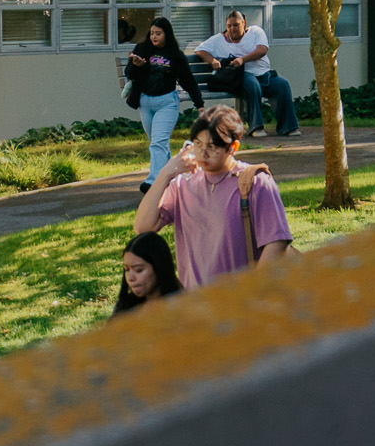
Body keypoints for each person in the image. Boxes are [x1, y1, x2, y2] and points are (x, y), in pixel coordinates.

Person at [133, 105, 291, 288]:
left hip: (241, 302)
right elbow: (143, 226)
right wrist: (166, 174)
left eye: (212, 146)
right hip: (195, 304)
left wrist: (255, 291)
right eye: (198, 144)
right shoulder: (183, 184)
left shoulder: (255, 182)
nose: (203, 153)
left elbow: (277, 242)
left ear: (233, 147)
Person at [124, 17, 203, 195]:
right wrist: (136, 66)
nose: (154, 37)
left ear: (166, 34)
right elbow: (129, 73)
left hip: (167, 102)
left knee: (158, 143)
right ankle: (172, 177)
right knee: (157, 143)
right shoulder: (142, 49)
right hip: (146, 102)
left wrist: (199, 104)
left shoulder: (175, 55)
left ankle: (153, 182)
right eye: (152, 33)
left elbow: (188, 81)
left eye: (158, 33)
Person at [194, 10, 300, 138]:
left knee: (282, 84)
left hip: (264, 74)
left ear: (243, 23)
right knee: (253, 85)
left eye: (236, 25)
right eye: (229, 26)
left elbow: (262, 50)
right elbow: (200, 50)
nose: (232, 29)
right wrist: (212, 60)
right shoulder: (219, 39)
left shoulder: (256, 32)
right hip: (240, 77)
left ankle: (288, 127)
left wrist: (242, 59)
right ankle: (256, 127)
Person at [112, 230, 183, 316]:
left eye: (139, 270)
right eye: (127, 270)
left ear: (159, 267)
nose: (130, 277)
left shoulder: (181, 306)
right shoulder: (125, 308)